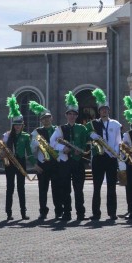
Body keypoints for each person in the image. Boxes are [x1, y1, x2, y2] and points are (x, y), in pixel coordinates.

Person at [48, 92, 91, 221]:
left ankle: (80, 213)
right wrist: (63, 148)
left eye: (74, 114)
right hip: (65, 162)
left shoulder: (82, 129)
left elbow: (87, 143)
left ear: (77, 116)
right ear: (66, 115)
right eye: (70, 114)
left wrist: (82, 150)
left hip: (78, 162)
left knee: (79, 189)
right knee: (65, 189)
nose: (72, 116)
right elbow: (51, 142)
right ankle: (67, 213)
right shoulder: (60, 129)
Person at [88, 87, 122, 221]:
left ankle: (112, 212)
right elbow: (88, 137)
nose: (104, 111)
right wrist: (92, 135)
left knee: (111, 187)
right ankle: (96, 213)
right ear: (99, 111)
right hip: (98, 158)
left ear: (109, 110)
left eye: (106, 109)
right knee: (97, 187)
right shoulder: (93, 124)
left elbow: (119, 141)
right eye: (102, 109)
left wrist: (114, 153)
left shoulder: (115, 124)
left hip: (111, 157)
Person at [3, 96, 34, 221]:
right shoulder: (7, 136)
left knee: (21, 188)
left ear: (22, 125)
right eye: (15, 125)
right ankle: (9, 213)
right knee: (10, 188)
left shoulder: (26, 137)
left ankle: (23, 213)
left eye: (19, 125)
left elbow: (29, 152)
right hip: (10, 163)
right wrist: (2, 154)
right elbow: (2, 150)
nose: (17, 127)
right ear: (13, 125)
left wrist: (35, 164)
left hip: (21, 162)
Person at [28, 102, 57, 220]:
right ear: (41, 120)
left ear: (51, 118)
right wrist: (37, 143)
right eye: (43, 118)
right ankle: (43, 212)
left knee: (57, 189)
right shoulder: (36, 132)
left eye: (48, 117)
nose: (46, 120)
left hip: (55, 163)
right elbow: (31, 148)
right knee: (42, 190)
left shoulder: (57, 130)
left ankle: (58, 211)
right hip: (42, 164)